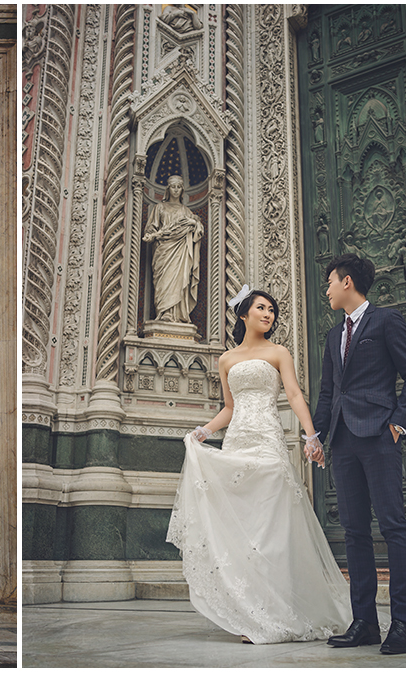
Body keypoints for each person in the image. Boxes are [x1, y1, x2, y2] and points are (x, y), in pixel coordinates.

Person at [167, 286, 351, 644]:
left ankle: (278, 612)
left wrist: (311, 435)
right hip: (238, 442)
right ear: (243, 314)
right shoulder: (226, 360)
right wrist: (204, 430)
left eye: (272, 310)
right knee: (246, 530)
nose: (268, 315)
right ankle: (252, 613)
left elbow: (294, 394)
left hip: (268, 442)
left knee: (272, 530)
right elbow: (230, 408)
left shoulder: (279, 352)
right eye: (262, 308)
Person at [313, 253, 406, 654]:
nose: (324, 289)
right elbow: (328, 393)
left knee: (394, 526)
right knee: (355, 533)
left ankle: (402, 626)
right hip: (342, 442)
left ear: (347, 282)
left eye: (329, 282)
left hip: (379, 436)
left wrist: (397, 424)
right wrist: (316, 436)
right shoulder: (331, 336)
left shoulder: (387, 321)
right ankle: (364, 622)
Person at [143, 175, 203, 323]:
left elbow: (198, 230)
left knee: (179, 280)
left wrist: (194, 223)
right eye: (173, 187)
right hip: (164, 251)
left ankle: (178, 314)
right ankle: (164, 312)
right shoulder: (160, 208)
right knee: (164, 282)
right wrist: (153, 235)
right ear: (168, 189)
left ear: (182, 190)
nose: (176, 190)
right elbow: (151, 229)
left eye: (178, 187)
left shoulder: (186, 211)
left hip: (181, 251)